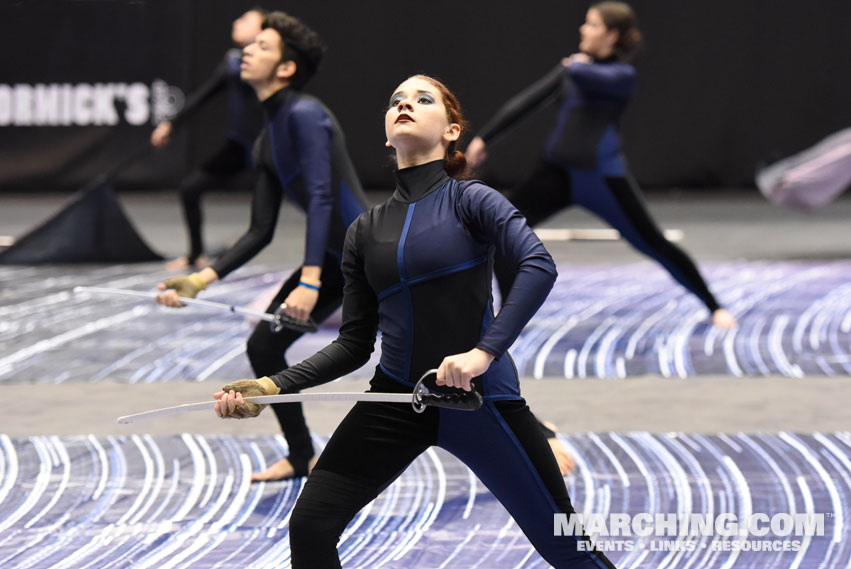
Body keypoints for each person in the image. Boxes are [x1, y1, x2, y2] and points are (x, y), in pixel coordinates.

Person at [213, 75, 616, 569]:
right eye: (396, 100)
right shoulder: (364, 230)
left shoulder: (473, 200)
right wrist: (273, 385)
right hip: (397, 400)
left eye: (422, 99)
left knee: (565, 546)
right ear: (387, 133)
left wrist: (481, 353)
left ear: (451, 131)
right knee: (311, 524)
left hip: (481, 401)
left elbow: (539, 265)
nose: (405, 103)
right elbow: (355, 344)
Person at [156, 12, 369, 481]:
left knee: (438, 354)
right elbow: (259, 232)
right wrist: (198, 280)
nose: (248, 50)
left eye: (263, 46)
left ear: (287, 68)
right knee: (264, 347)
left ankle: (537, 433)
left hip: (375, 259)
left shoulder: (306, 114)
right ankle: (300, 456)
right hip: (337, 264)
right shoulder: (266, 139)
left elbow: (321, 196)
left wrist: (310, 279)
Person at [466, 1, 736, 328]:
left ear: (611, 36)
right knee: (500, 232)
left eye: (592, 25)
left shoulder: (620, 75)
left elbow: (585, 74)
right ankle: (510, 319)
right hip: (554, 174)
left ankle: (714, 306)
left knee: (653, 242)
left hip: (602, 181)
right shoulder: (573, 68)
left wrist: (573, 66)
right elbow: (527, 102)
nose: (583, 29)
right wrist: (484, 138)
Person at [151, 8, 267, 271]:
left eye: (246, 20)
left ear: (263, 31)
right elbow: (203, 96)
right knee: (190, 189)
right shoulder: (233, 62)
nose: (236, 22)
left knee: (303, 202)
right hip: (239, 147)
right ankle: (195, 256)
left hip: (271, 149)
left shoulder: (272, 62)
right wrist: (171, 124)